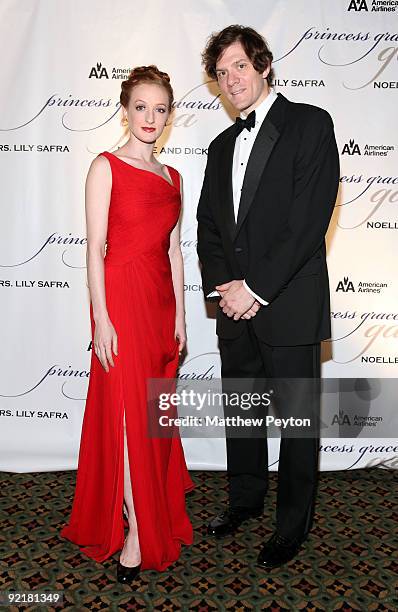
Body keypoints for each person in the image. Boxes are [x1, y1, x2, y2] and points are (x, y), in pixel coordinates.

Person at [197, 25, 339, 569]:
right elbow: (209, 226)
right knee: (244, 414)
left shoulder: (309, 124)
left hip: (289, 307)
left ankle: (291, 526)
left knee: (299, 423)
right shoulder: (220, 145)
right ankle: (245, 501)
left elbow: (307, 221)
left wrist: (256, 289)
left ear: (263, 64)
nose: (231, 78)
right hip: (235, 311)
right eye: (222, 71)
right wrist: (225, 289)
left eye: (238, 65)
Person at [61, 65, 194, 584]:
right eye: (141, 107)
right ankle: (138, 529)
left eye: (160, 109)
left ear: (168, 117)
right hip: (121, 301)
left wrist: (181, 315)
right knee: (126, 417)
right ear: (125, 110)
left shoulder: (173, 177)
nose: (151, 118)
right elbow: (94, 249)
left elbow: (176, 251)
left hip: (161, 307)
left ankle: (149, 509)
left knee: (154, 415)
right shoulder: (105, 167)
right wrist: (102, 318)